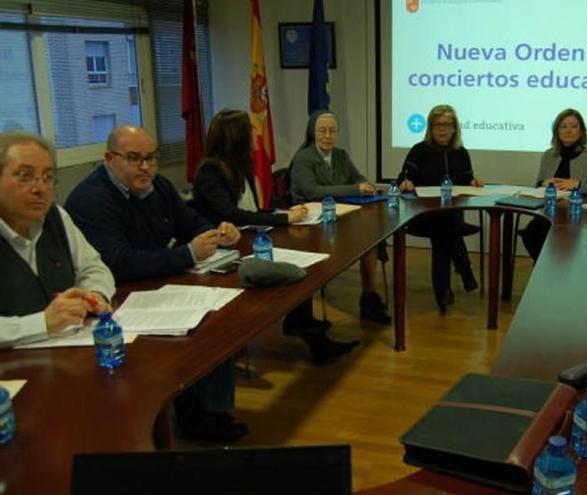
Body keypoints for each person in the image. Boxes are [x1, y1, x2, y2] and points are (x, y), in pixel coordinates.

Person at [65, 125, 246, 443]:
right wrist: (187, 253)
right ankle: (182, 419)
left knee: (219, 319)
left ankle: (207, 413)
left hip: (159, 285)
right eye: (134, 159)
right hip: (117, 302)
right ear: (109, 159)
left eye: (151, 158)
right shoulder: (91, 199)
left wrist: (218, 231)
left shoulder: (156, 186)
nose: (145, 167)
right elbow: (119, 262)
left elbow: (189, 221)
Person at [193, 109, 357, 365]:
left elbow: (253, 212)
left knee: (305, 259)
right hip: (221, 253)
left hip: (246, 241)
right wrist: (282, 219)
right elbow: (232, 214)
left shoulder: (240, 165)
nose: (255, 135)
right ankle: (304, 328)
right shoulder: (211, 171)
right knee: (289, 269)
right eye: (249, 130)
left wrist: (283, 213)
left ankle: (301, 322)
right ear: (235, 137)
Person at [0, 132, 114, 348]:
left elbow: (94, 268)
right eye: (25, 176)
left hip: (66, 353)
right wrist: (42, 323)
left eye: (48, 177)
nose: (40, 188)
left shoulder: (57, 217)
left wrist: (93, 296)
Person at [289, 110, 391, 324]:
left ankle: (368, 297)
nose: (327, 136)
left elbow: (358, 178)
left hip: (342, 216)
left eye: (332, 131)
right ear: (312, 133)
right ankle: (303, 313)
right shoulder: (303, 158)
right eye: (322, 131)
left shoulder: (341, 155)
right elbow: (312, 191)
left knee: (370, 239)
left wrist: (368, 185)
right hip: (311, 224)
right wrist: (355, 188)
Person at [396, 104, 483, 313]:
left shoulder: (461, 153)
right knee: (444, 228)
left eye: (447, 125)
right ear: (430, 128)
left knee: (444, 231)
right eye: (438, 125)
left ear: (455, 128)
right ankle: (464, 271)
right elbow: (404, 177)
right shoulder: (419, 150)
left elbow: (466, 180)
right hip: (421, 216)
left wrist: (473, 183)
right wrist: (405, 182)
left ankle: (443, 292)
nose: (442, 129)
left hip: (449, 217)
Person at [520, 108, 587, 261]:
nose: (568, 130)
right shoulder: (548, 155)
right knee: (531, 234)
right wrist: (544, 182)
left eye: (574, 126)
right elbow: (538, 184)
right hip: (549, 210)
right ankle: (543, 268)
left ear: (581, 132)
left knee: (565, 241)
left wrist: (578, 184)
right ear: (557, 131)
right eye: (563, 126)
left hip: (578, 213)